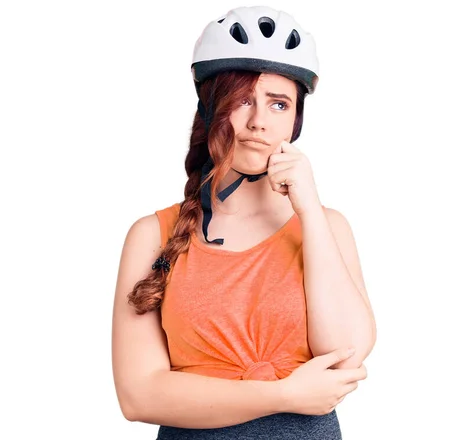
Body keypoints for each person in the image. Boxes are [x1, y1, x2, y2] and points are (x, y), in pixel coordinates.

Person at [112, 6, 376, 439]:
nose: (258, 122)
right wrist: (284, 396)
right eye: (242, 100)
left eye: (278, 103)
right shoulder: (152, 236)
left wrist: (308, 210)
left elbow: (345, 357)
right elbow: (139, 396)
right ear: (210, 107)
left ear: (295, 119)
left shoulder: (326, 227)